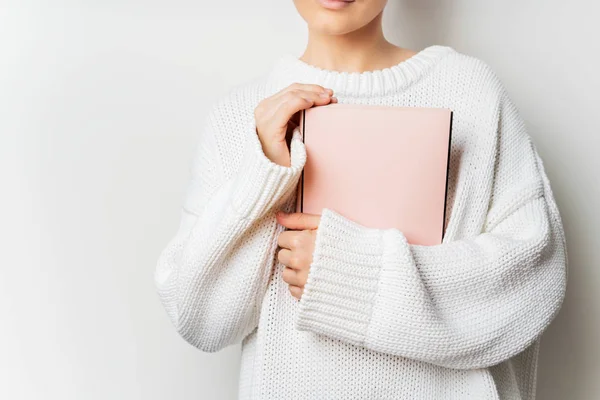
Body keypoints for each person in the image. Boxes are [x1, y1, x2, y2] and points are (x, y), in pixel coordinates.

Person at [153, 0, 568, 399]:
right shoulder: (240, 116)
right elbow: (200, 319)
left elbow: (535, 277)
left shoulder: (470, 92)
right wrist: (264, 173)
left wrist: (349, 273)